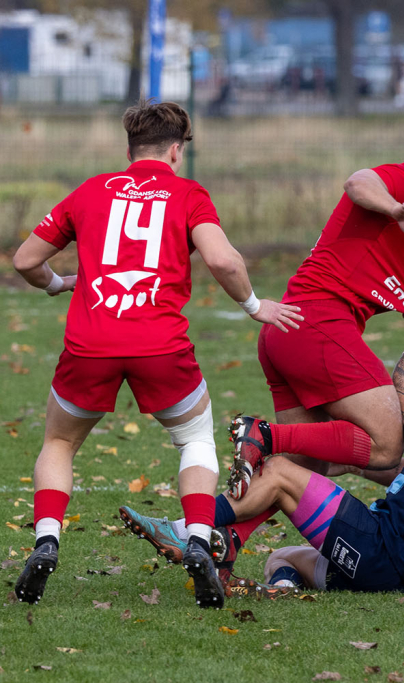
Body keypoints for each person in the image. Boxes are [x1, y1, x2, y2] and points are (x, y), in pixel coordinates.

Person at [11, 99, 302, 608]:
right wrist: (255, 305)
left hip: (90, 345)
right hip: (160, 347)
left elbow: (25, 260)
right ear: (176, 150)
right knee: (194, 438)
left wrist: (59, 284)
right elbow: (222, 259)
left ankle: (47, 542)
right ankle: (196, 539)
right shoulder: (188, 193)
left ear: (129, 150)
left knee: (59, 441)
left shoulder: (88, 191)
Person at [217, 118, 404, 557]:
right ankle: (263, 434)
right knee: (386, 444)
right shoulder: (399, 183)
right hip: (318, 324)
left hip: (290, 332)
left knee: (302, 466)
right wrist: (393, 208)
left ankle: (205, 531)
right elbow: (357, 182)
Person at [121, 317, 404, 594]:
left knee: (278, 470)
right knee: (281, 558)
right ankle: (279, 589)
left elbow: (400, 397)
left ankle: (187, 527)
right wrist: (352, 465)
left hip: (377, 546)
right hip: (391, 573)